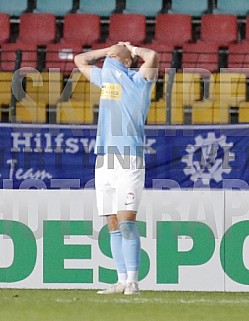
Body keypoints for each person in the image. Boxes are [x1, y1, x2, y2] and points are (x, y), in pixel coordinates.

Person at [74, 42, 158, 295]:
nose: (112, 50)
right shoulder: (105, 76)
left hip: (129, 157)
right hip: (104, 159)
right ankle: (121, 279)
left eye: (115, 50)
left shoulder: (139, 80)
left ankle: (133, 281)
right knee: (111, 221)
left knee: (126, 221)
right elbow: (80, 59)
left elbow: (152, 55)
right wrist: (107, 50)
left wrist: (131, 48)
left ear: (127, 60)